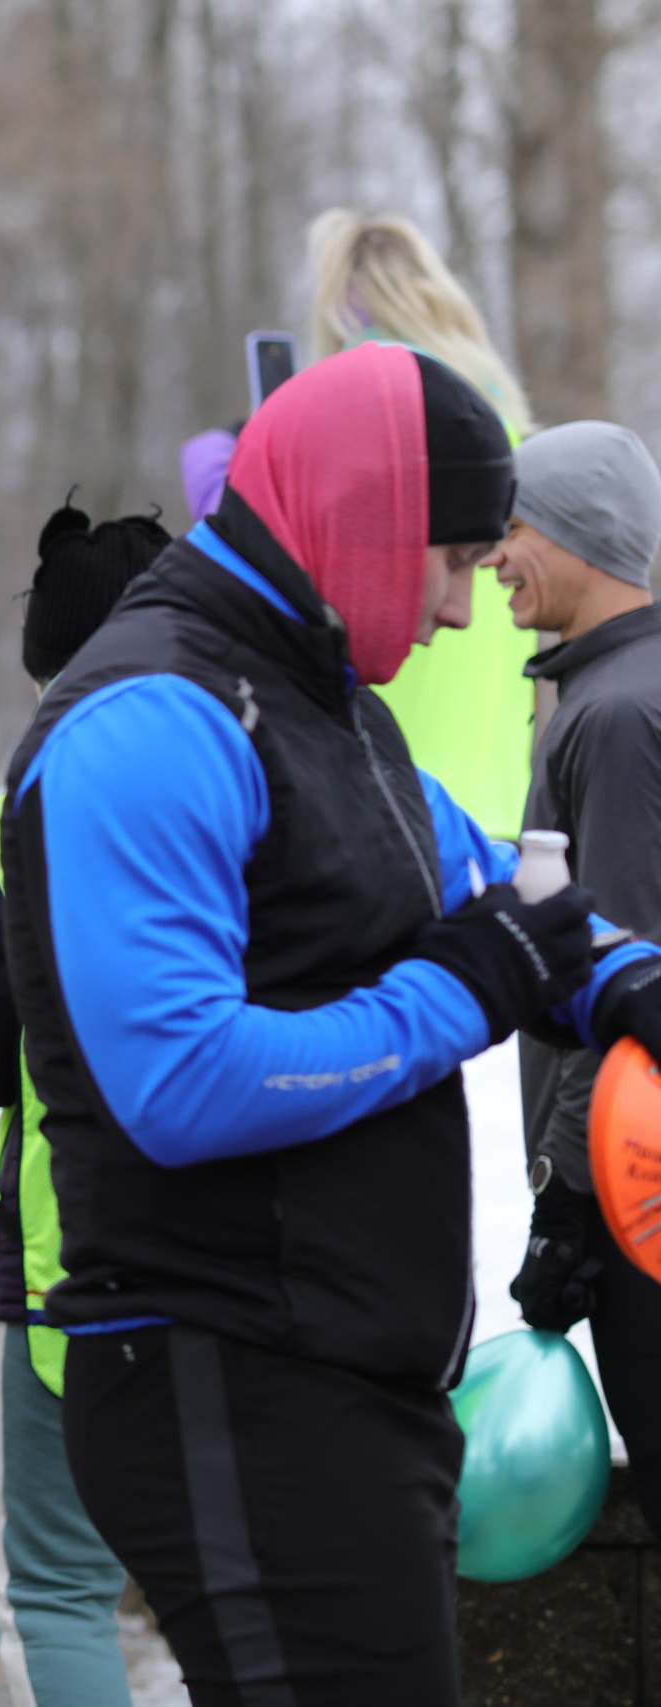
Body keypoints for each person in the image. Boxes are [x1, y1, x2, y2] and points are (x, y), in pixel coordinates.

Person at [0, 343, 661, 1704]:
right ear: (360, 520)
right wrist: (465, 989)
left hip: (345, 1381)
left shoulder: (329, 700)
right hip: (225, 1374)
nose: (468, 614)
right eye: (454, 560)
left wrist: (623, 973)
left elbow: (502, 886)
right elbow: (178, 1079)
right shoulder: (150, 713)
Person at [0, 499, 166, 1707]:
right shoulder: (286, 777)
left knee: (60, 1586)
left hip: (78, 1263)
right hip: (281, 1257)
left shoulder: (23, 815)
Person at [490, 423, 661, 1538]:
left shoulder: (614, 714)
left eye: (509, 527)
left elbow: (626, 971)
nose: (492, 554)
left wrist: (565, 1200)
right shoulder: (607, 693)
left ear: (575, 534)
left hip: (636, 1181)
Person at [307, 208, 539, 837]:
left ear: (341, 304)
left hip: (391, 801)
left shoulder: (358, 423)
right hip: (500, 804)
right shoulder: (504, 426)